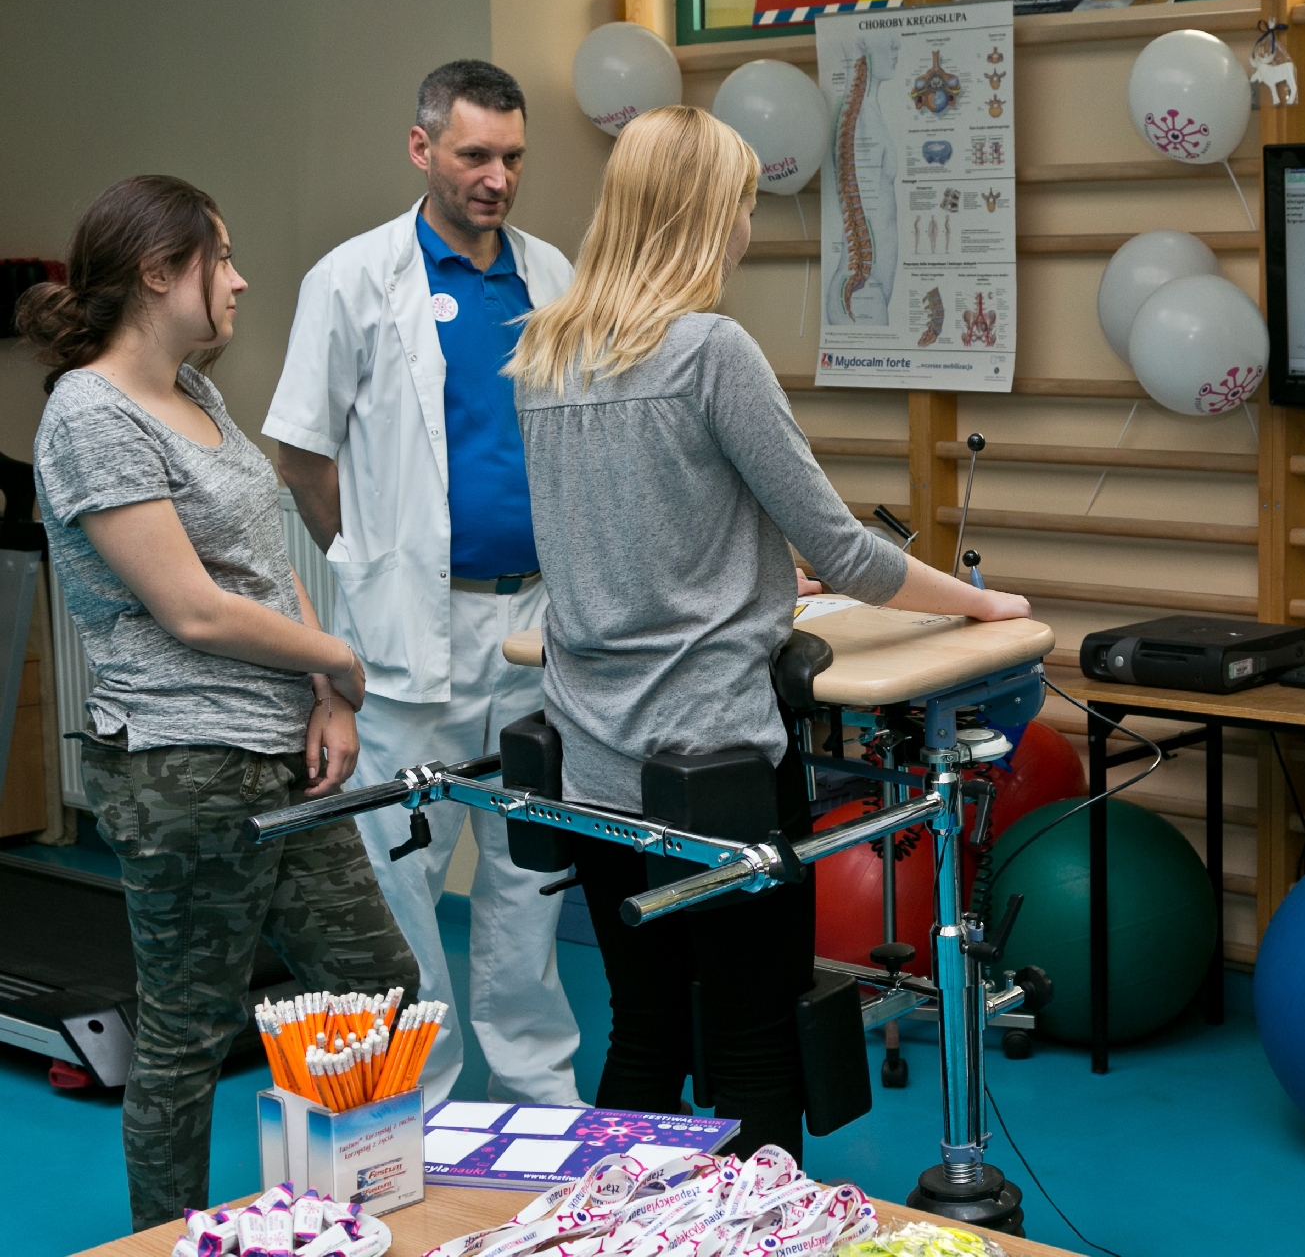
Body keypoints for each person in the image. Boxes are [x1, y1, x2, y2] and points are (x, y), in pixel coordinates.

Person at [506, 106, 1031, 1159]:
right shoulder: (711, 350)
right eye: (741, 205)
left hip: (592, 758)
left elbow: (612, 535)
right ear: (707, 216)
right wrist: (983, 603)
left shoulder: (548, 351)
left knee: (644, 1026)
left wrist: (735, 562)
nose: (747, 227)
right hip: (716, 758)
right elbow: (844, 550)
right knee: (755, 1042)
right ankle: (761, 1227)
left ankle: (616, 1228)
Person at [19, 175, 418, 1231]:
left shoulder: (197, 392)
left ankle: (347, 1214)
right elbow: (194, 610)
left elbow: (264, 561)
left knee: (378, 984)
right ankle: (168, 1241)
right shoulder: (89, 415)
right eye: (222, 259)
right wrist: (343, 655)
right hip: (182, 765)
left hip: (281, 752)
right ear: (159, 273)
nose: (240, 280)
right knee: (188, 1033)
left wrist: (327, 690)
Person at [264, 60, 580, 1106]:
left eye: (513, 157)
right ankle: (420, 1098)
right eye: (475, 155)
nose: (497, 178)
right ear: (422, 148)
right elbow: (301, 452)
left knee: (530, 866)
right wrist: (361, 560)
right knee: (401, 875)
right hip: (410, 626)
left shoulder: (552, 276)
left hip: (537, 623)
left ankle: (535, 1080)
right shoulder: (353, 278)